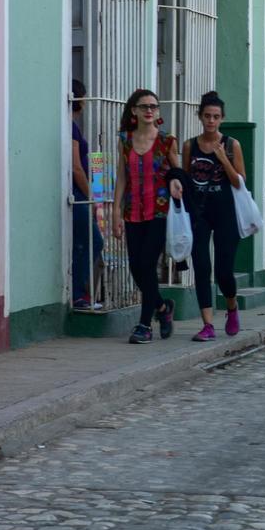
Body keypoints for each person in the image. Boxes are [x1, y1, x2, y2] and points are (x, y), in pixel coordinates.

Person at [112, 89, 184, 345]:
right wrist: (116, 211)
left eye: (153, 106)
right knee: (135, 266)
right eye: (144, 107)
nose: (149, 110)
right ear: (134, 111)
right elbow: (122, 177)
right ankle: (163, 308)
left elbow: (177, 170)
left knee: (147, 264)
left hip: (159, 212)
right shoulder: (125, 140)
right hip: (133, 211)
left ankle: (144, 325)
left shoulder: (166, 141)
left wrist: (176, 181)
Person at [184, 92, 246, 342]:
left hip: (225, 213)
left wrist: (223, 159)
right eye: (207, 116)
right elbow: (187, 178)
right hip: (199, 213)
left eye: (216, 117)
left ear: (222, 119)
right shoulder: (190, 145)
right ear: (200, 117)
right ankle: (207, 324)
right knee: (201, 267)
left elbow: (240, 182)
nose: (211, 121)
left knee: (223, 271)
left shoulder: (232, 145)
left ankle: (231, 307)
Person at [70, 81, 103, 311]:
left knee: (83, 243)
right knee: (93, 241)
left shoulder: (73, 127)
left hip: (80, 193)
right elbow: (75, 167)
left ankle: (80, 293)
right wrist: (92, 196)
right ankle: (77, 294)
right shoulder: (70, 128)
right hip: (78, 194)